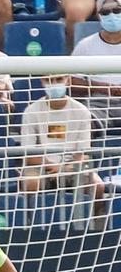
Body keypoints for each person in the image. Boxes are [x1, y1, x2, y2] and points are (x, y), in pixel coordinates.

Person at [19, 74, 105, 207]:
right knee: (30, 182)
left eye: (58, 79)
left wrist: (65, 168)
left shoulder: (81, 111)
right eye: (49, 80)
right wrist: (52, 166)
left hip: (73, 167)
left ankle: (98, 224)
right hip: (40, 167)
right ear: (42, 81)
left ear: (68, 80)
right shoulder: (31, 111)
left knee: (97, 185)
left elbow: (83, 154)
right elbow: (29, 154)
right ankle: (29, 223)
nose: (53, 84)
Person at [70, 0, 121, 124]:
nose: (112, 15)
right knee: (83, 123)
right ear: (99, 16)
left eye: (117, 10)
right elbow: (72, 81)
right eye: (105, 12)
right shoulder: (85, 45)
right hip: (98, 102)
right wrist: (101, 87)